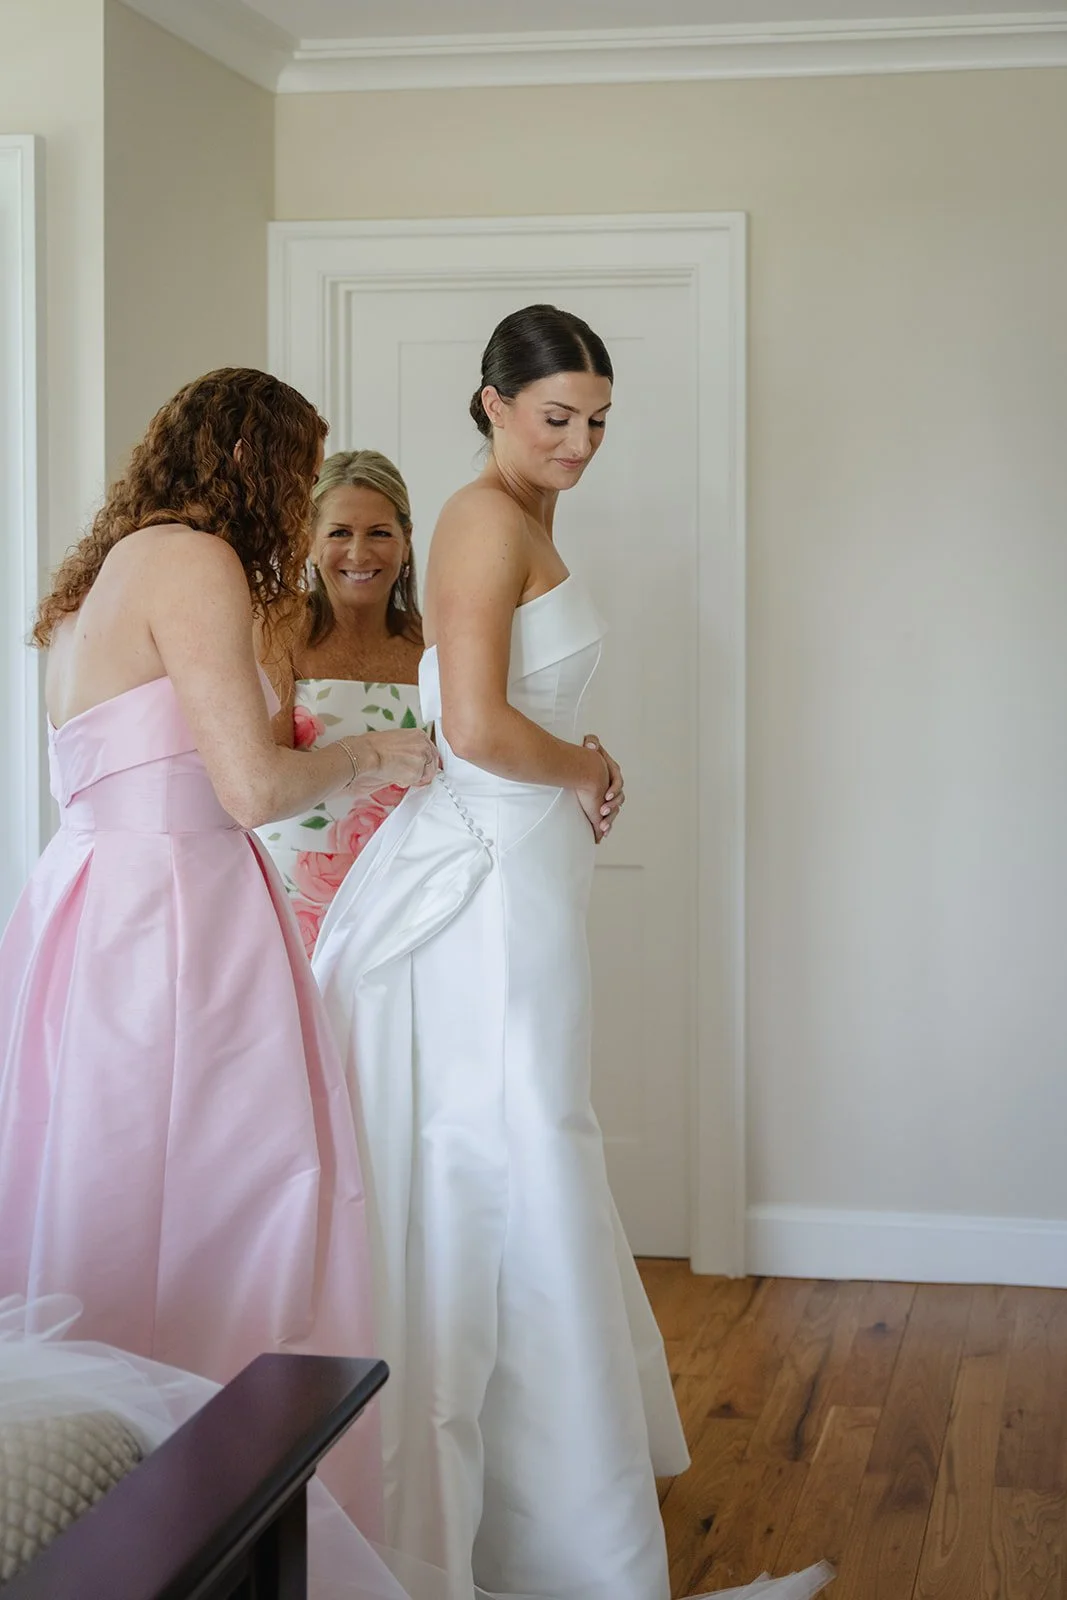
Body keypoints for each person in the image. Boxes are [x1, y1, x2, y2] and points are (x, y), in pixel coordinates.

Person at [313, 307, 830, 1600]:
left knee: (538, 1127)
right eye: (558, 417)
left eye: (598, 419)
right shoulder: (482, 520)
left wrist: (577, 776)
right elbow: (480, 726)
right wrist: (588, 766)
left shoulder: (525, 513)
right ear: (489, 401)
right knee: (514, 1138)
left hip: (526, 865)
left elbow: (505, 717)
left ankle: (538, 1493)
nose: (582, 443)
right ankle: (515, 1526)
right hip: (487, 873)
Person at [0, 368, 437, 1531]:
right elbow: (249, 787)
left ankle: (138, 1512)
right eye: (299, 475)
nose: (301, 507)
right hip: (173, 923)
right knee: (234, 1204)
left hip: (100, 905)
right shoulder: (192, 561)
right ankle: (225, 1501)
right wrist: (367, 758)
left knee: (118, 1190)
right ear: (252, 461)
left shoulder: (111, 568)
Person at [258, 450, 428, 958]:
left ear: (405, 541)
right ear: (309, 543)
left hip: (410, 886)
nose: (359, 553)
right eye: (338, 533)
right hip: (295, 888)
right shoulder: (279, 628)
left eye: (379, 532)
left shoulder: (431, 644)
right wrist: (364, 753)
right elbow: (265, 772)